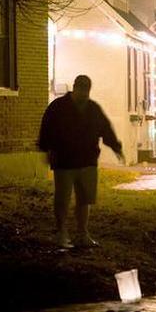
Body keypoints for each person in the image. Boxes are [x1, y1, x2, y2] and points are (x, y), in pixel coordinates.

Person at [37, 74, 123, 249]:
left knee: (84, 199)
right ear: (75, 88)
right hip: (65, 160)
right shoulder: (58, 107)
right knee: (63, 198)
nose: (84, 93)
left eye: (86, 90)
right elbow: (46, 129)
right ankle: (62, 232)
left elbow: (105, 129)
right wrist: (46, 149)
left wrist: (116, 146)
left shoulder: (92, 109)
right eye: (82, 89)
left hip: (87, 161)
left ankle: (82, 233)